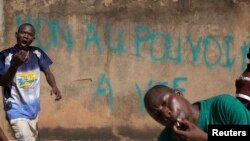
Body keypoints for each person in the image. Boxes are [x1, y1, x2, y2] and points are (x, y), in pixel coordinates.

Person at [0, 23, 62, 141]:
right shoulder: (5, 56)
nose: (26, 36)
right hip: (15, 110)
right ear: (17, 35)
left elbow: (48, 72)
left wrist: (54, 86)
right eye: (23, 33)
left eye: (29, 34)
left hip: (33, 111)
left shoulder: (37, 53)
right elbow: (2, 82)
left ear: (33, 39)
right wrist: (14, 65)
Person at [144, 85, 250, 141]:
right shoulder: (167, 138)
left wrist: (203, 138)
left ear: (178, 93)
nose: (166, 114)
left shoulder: (222, 107)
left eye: (166, 103)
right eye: (158, 115)